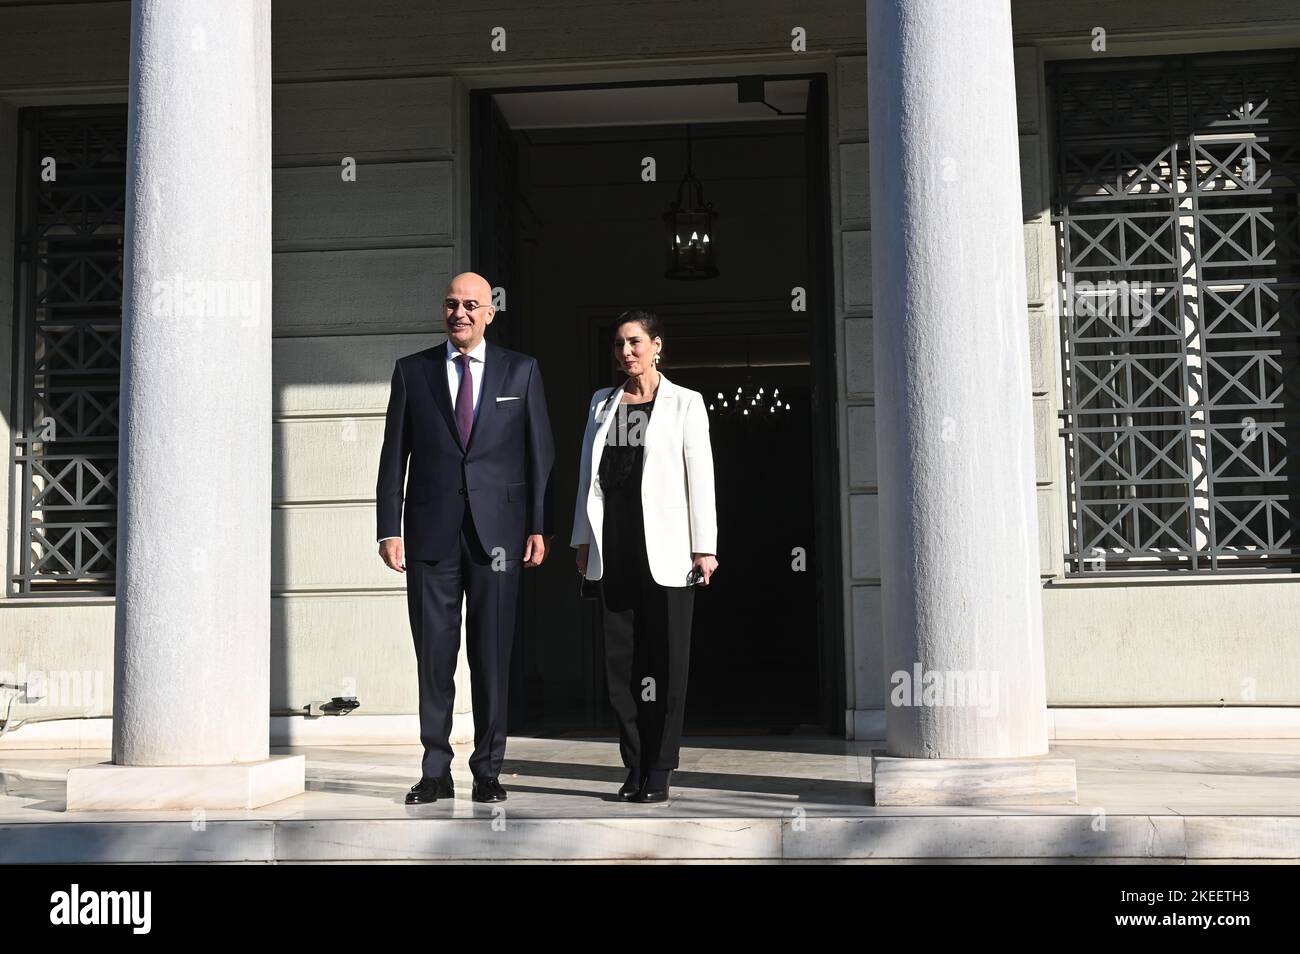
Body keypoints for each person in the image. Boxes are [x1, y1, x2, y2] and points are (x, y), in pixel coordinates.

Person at [376, 271, 554, 804]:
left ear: (490, 312)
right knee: (434, 654)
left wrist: (538, 525)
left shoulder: (520, 371)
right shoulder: (413, 372)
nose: (461, 313)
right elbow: (393, 458)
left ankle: (488, 770)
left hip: (499, 535)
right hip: (430, 535)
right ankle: (435, 770)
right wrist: (389, 527)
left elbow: (539, 455)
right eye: (452, 304)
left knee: (491, 654)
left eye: (471, 305)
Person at [571, 308, 718, 803]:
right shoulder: (601, 403)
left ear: (657, 345)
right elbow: (586, 479)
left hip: (670, 547)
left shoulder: (685, 404)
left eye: (634, 342)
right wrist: (581, 540)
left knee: (666, 663)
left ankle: (660, 766)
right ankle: (632, 763)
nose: (625, 352)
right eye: (618, 344)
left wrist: (705, 547)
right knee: (620, 665)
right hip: (614, 543)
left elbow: (701, 476)